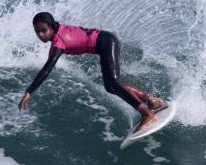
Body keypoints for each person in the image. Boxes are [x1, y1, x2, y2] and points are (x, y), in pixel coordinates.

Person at [18, 12, 165, 132]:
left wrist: (29, 92)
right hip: (106, 41)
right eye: (37, 32)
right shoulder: (59, 33)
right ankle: (149, 100)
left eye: (44, 31)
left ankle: (147, 114)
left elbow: (46, 70)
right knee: (110, 86)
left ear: (52, 27)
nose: (41, 35)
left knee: (113, 84)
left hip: (107, 42)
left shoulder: (59, 42)